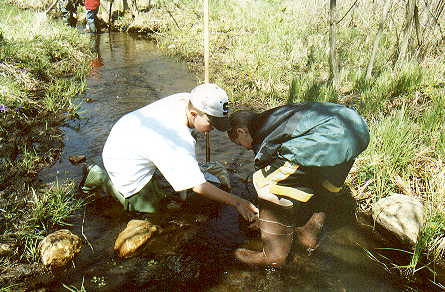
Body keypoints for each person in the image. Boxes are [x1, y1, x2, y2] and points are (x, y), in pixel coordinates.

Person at [80, 83, 258, 223]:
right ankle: (100, 178)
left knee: (172, 185)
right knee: (153, 208)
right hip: (122, 160)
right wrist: (238, 201)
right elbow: (198, 186)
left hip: (127, 136)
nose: (212, 129)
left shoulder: (185, 99)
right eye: (211, 124)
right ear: (194, 113)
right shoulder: (176, 136)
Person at [227, 102, 370, 267]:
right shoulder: (273, 116)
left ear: (241, 131)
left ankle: (273, 257)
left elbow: (264, 163)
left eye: (239, 143)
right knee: (321, 184)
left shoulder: (262, 132)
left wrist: (266, 214)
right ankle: (309, 236)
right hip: (356, 130)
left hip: (332, 137)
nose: (244, 148)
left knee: (262, 180)